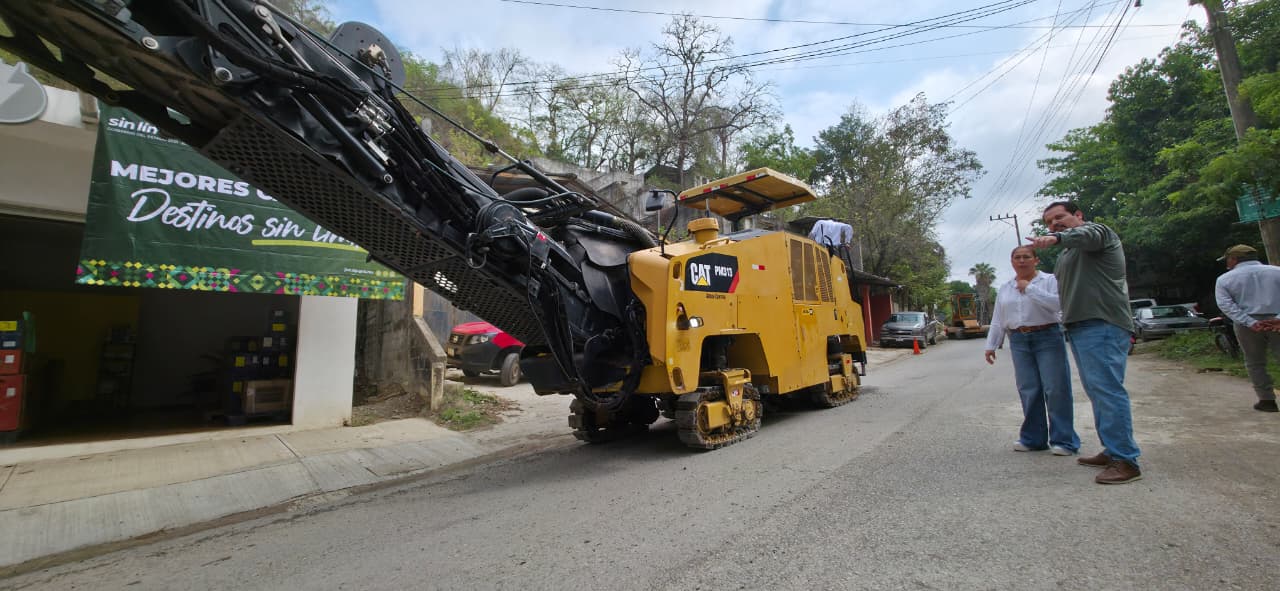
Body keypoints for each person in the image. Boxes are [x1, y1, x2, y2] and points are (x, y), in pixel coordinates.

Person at [1028, 201, 1142, 485]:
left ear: (1078, 215)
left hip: (1101, 323)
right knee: (1097, 391)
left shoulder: (1099, 234)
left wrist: (1055, 238)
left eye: (1060, 218)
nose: (1054, 224)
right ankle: (1112, 449)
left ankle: (1126, 460)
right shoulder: (1068, 254)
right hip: (1080, 326)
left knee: (1107, 390)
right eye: (1049, 223)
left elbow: (1088, 235)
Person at [984, 246, 1080, 456]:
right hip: (1018, 340)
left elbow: (1058, 305)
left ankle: (1064, 440)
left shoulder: (1050, 281)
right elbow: (999, 318)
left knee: (1055, 388)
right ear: (1011, 262)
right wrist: (991, 344)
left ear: (1036, 260)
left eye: (1026, 257)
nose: (1022, 261)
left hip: (1047, 336)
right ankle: (1033, 438)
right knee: (1029, 389)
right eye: (1017, 257)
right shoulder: (1006, 287)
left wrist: (1029, 288)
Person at [1213, 244, 1280, 413]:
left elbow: (1226, 305)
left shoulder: (1225, 279)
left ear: (1233, 259)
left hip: (1247, 326)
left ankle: (1267, 400)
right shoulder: (1276, 271)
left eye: (1228, 259)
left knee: (1255, 362)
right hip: (1277, 321)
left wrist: (1250, 322)